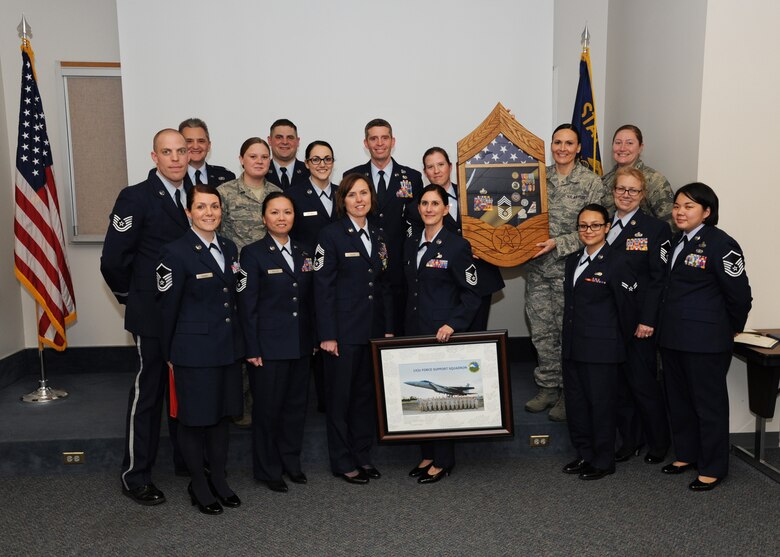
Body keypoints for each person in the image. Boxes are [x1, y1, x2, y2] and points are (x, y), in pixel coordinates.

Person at [101, 128, 192, 506]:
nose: (175, 158)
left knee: (187, 390)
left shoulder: (197, 196)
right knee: (149, 394)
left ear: (190, 154)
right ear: (154, 156)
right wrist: (133, 299)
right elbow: (113, 261)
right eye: (167, 152)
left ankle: (185, 462)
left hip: (188, 314)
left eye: (181, 151)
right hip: (151, 314)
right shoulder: (135, 197)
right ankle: (135, 475)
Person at [156, 183, 243, 515]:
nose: (210, 213)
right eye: (202, 207)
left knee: (221, 417)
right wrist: (170, 355)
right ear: (188, 212)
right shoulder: (175, 252)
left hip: (226, 348)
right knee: (194, 421)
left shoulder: (230, 248)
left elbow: (232, 297)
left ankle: (219, 479)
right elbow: (168, 308)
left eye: (215, 206)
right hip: (192, 352)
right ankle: (199, 484)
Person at [658, 183, 752, 491]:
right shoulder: (675, 242)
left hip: (706, 341)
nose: (680, 212)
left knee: (708, 404)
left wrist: (730, 327)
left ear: (707, 212)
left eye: (689, 206)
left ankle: (713, 466)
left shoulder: (721, 244)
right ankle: (686, 454)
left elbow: (739, 295)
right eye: (677, 206)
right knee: (680, 400)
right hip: (672, 337)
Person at [524, 124, 608, 422]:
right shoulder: (535, 178)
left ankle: (566, 393)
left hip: (571, 271)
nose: (562, 148)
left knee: (567, 333)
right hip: (536, 270)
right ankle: (547, 386)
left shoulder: (591, 183)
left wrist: (558, 243)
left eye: (568, 143)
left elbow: (597, 229)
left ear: (578, 148)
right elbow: (519, 215)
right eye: (557, 142)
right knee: (541, 332)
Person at [313, 174, 393, 484]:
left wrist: (386, 329)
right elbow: (323, 289)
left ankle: (362, 455)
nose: (359, 199)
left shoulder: (379, 234)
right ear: (342, 200)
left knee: (364, 398)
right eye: (352, 194)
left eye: (364, 193)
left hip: (371, 331)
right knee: (340, 400)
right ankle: (342, 461)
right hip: (342, 334)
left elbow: (383, 286)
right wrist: (327, 335)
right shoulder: (330, 235)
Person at [404, 185, 482, 484]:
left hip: (441, 334)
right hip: (414, 331)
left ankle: (444, 459)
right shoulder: (411, 242)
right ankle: (427, 454)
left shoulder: (456, 245)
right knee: (422, 395)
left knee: (440, 395)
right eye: (424, 203)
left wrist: (453, 324)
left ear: (446, 209)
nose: (428, 208)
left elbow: (472, 293)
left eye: (435, 203)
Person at [238, 192, 315, 493]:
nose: (282, 217)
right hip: (267, 349)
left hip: (299, 345)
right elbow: (248, 305)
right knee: (268, 410)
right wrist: (252, 348)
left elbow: (310, 303)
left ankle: (290, 463)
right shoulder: (253, 253)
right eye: (275, 212)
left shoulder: (305, 252)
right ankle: (267, 469)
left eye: (287, 212)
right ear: (263, 218)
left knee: (296, 409)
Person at [561, 204, 637, 481]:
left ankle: (604, 460)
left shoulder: (618, 262)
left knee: (601, 406)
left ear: (606, 227)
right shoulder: (572, 261)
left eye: (595, 225)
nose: (588, 230)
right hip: (572, 346)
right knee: (577, 405)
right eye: (583, 225)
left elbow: (628, 310)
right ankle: (585, 454)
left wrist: (614, 342)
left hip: (602, 350)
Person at [606, 167, 672, 465]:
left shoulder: (656, 229)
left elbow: (659, 279)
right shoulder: (602, 225)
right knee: (619, 386)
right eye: (621, 189)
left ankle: (658, 442)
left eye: (633, 190)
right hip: (609, 321)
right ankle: (630, 440)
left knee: (643, 385)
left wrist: (649, 320)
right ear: (613, 191)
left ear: (642, 195)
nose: (626, 195)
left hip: (638, 324)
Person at [219, 137, 282, 427]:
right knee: (241, 341)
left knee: (265, 341)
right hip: (237, 281)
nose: (259, 161)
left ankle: (263, 404)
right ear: (241, 159)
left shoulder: (277, 193)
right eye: (253, 156)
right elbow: (215, 237)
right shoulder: (225, 193)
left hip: (273, 282)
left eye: (264, 157)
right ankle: (238, 406)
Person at [343, 118, 424, 335]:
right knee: (367, 331)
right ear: (366, 143)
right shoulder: (352, 177)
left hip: (400, 268)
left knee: (400, 331)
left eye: (384, 138)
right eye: (373, 138)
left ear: (392, 141)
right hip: (365, 269)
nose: (379, 143)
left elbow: (418, 222)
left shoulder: (413, 178)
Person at [421, 147, 504, 330]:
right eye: (430, 166)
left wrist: (485, 246)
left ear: (451, 167)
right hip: (443, 282)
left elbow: (493, 224)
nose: (436, 171)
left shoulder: (474, 193)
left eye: (441, 164)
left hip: (479, 275)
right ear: (425, 172)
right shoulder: (420, 206)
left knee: (476, 336)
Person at [288, 140, 340, 413]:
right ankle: (315, 402)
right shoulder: (294, 195)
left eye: (327, 159)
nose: (322, 164)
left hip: (339, 281)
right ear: (306, 163)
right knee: (313, 339)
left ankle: (331, 400)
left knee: (333, 338)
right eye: (316, 159)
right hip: (307, 280)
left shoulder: (344, 194)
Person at [601, 125, 674, 227]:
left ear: (640, 148)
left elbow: (669, 225)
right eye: (618, 143)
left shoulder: (654, 180)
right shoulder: (604, 180)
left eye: (629, 143)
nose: (622, 148)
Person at [178, 118, 236, 187]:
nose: (195, 146)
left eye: (201, 141)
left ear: (208, 146)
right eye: (189, 141)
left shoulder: (227, 177)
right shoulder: (173, 176)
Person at [265, 119, 310, 190]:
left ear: (297, 142)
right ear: (269, 140)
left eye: (290, 137)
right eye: (279, 137)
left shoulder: (310, 172)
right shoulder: (261, 172)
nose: (285, 142)